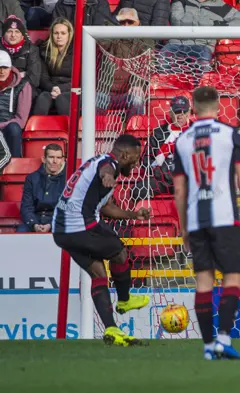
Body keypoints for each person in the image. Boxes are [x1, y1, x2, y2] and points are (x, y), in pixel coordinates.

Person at [172, 86, 240, 360]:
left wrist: (184, 227)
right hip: (223, 216)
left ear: (193, 109)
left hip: (197, 219)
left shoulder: (182, 140)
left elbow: (179, 191)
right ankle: (223, 337)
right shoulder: (230, 134)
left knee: (203, 280)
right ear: (219, 106)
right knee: (233, 275)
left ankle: (209, 346)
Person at [52, 134, 151, 347]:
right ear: (124, 155)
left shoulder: (96, 162)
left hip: (62, 231)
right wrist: (107, 176)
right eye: (134, 158)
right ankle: (124, 299)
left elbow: (106, 208)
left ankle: (112, 329)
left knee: (98, 272)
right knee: (120, 252)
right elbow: (105, 171)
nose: (136, 163)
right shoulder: (109, 165)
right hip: (78, 226)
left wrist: (134, 215)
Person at [133, 95, 191, 200]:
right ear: (170, 113)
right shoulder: (158, 133)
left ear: (189, 113)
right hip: (162, 181)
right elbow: (145, 161)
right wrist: (158, 172)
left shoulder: (196, 132)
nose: (180, 116)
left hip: (188, 182)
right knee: (138, 190)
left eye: (184, 112)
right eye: (177, 112)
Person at [18, 143, 65, 232]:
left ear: (63, 160)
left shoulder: (69, 178)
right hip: (36, 220)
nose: (55, 161)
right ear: (44, 159)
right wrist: (34, 224)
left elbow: (69, 209)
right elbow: (26, 207)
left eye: (58, 158)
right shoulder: (32, 178)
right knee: (21, 231)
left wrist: (51, 224)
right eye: (51, 157)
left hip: (58, 222)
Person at [34, 17, 74, 116]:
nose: (59, 36)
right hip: (51, 89)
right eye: (56, 33)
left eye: (63, 33)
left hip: (71, 89)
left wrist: (62, 89)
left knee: (62, 99)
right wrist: (53, 88)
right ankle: (37, 130)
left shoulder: (78, 51)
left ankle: (70, 130)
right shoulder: (44, 51)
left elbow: (81, 80)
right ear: (52, 35)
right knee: (43, 98)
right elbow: (43, 77)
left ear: (69, 35)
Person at [0, 49, 32, 158]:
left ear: (10, 68)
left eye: (5, 67)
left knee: (14, 128)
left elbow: (21, 120)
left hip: (8, 127)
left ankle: (15, 165)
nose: (2, 71)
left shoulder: (22, 85)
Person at [0, 15, 41, 95]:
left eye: (17, 31)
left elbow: (34, 79)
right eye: (9, 31)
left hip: (22, 91)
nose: (13, 35)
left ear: (22, 34)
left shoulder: (31, 49)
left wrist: (14, 90)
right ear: (4, 33)